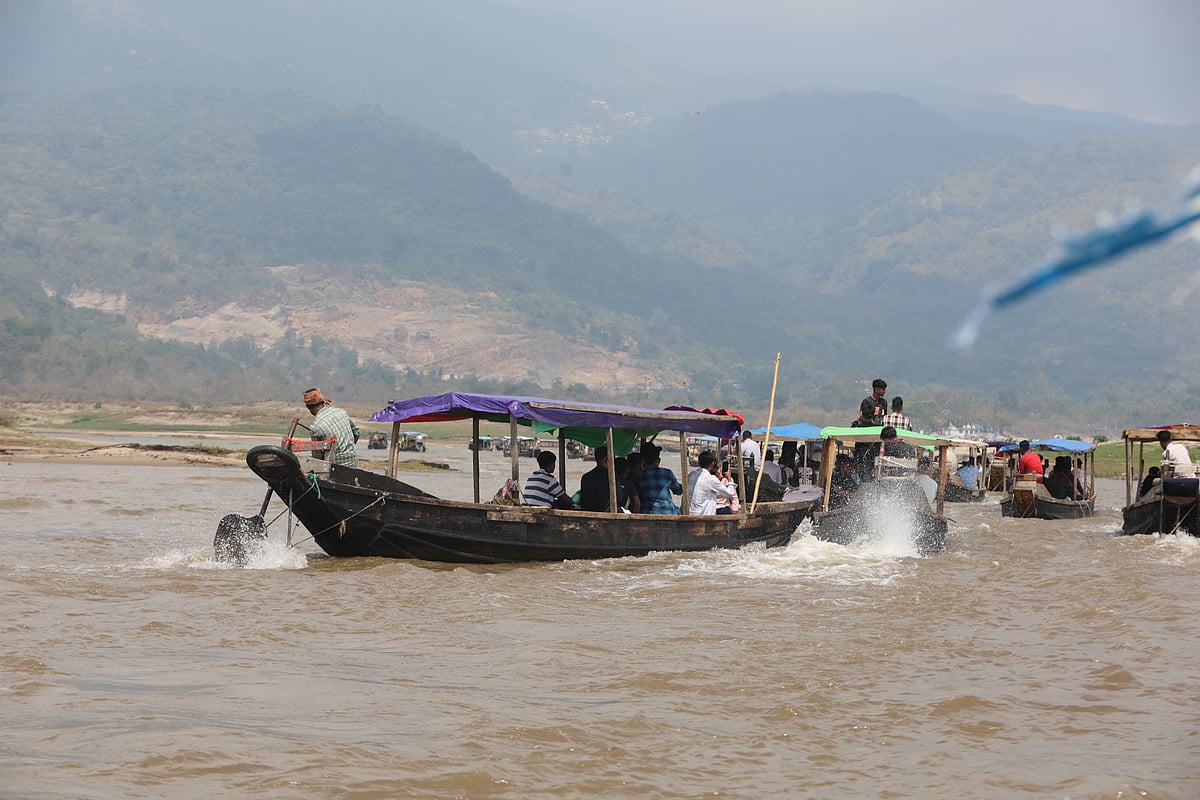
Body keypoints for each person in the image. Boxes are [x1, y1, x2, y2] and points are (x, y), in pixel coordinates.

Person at [303, 387, 360, 468]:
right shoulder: (341, 412)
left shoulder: (316, 428)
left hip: (334, 468)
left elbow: (317, 457)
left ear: (308, 407)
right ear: (323, 402)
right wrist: (348, 448)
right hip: (353, 461)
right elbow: (357, 432)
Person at [633, 443, 683, 515]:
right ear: (658, 460)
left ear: (643, 461)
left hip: (647, 512)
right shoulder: (667, 473)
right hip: (668, 512)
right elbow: (679, 491)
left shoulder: (638, 476)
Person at [687, 451, 738, 515]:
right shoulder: (710, 479)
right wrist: (729, 478)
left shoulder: (691, 475)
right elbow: (730, 493)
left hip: (691, 512)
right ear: (712, 464)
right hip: (703, 515)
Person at [579, 446, 624, 512]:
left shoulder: (585, 477)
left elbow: (583, 501)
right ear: (607, 461)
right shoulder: (613, 477)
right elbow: (619, 498)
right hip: (608, 514)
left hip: (590, 513)